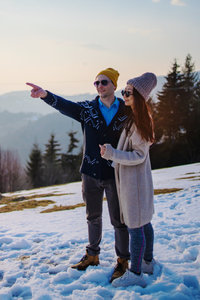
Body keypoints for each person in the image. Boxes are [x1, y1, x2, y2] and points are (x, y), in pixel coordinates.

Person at [26, 68, 130, 282]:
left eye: (104, 82)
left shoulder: (126, 111)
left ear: (114, 86)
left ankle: (123, 260)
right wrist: (45, 94)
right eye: (96, 83)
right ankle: (92, 255)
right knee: (92, 217)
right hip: (90, 172)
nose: (99, 86)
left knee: (118, 219)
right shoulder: (88, 109)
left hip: (115, 173)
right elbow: (66, 106)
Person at [99, 72, 157, 288]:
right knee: (145, 222)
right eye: (123, 91)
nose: (124, 95)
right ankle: (148, 263)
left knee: (135, 227)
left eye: (128, 92)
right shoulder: (135, 117)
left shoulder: (141, 123)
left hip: (135, 185)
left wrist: (112, 153)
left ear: (139, 96)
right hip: (134, 182)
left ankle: (136, 272)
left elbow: (139, 156)